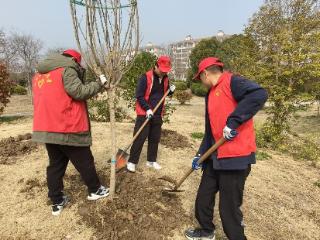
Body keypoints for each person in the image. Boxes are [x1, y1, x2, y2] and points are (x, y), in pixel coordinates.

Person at [184, 57, 268, 240]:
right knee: (203, 197)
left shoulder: (233, 82)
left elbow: (259, 94)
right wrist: (200, 155)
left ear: (205, 73)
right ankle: (206, 230)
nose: (201, 83)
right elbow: (210, 131)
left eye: (200, 79)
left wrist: (234, 121)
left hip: (235, 158)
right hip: (215, 156)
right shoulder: (210, 94)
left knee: (228, 209)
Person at [32, 49, 109, 216]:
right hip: (67, 127)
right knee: (85, 161)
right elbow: (79, 92)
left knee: (56, 166)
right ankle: (95, 190)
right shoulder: (67, 69)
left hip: (47, 127)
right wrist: (99, 84)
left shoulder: (40, 75)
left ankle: (57, 201)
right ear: (74, 60)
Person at [126, 56, 176, 173]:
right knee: (140, 137)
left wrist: (171, 91)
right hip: (145, 113)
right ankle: (132, 162)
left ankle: (151, 160)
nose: (164, 73)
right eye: (162, 70)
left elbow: (164, 93)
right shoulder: (145, 77)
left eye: (166, 71)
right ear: (156, 66)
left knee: (155, 138)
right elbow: (139, 95)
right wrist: (147, 109)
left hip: (158, 113)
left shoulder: (165, 78)